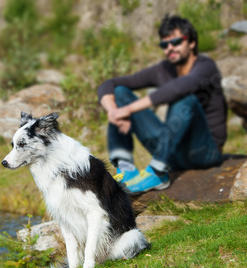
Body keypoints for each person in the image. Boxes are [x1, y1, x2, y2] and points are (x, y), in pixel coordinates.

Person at [97, 15, 227, 193]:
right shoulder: (164, 69)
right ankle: (126, 169)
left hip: (204, 152)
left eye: (175, 42)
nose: (170, 48)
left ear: (192, 43)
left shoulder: (206, 67)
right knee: (120, 93)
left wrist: (127, 110)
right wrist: (114, 111)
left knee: (186, 99)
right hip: (171, 152)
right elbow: (109, 85)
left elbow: (178, 88)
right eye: (165, 45)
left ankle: (158, 172)